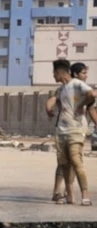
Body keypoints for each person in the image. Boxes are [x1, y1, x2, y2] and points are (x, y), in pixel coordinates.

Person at [46, 59, 97, 205]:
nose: (53, 76)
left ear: (58, 72)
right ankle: (69, 196)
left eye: (53, 73)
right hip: (61, 131)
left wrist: (81, 104)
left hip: (76, 130)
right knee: (64, 164)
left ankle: (85, 196)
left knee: (76, 161)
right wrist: (48, 109)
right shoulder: (62, 89)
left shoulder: (77, 84)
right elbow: (53, 100)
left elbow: (92, 95)